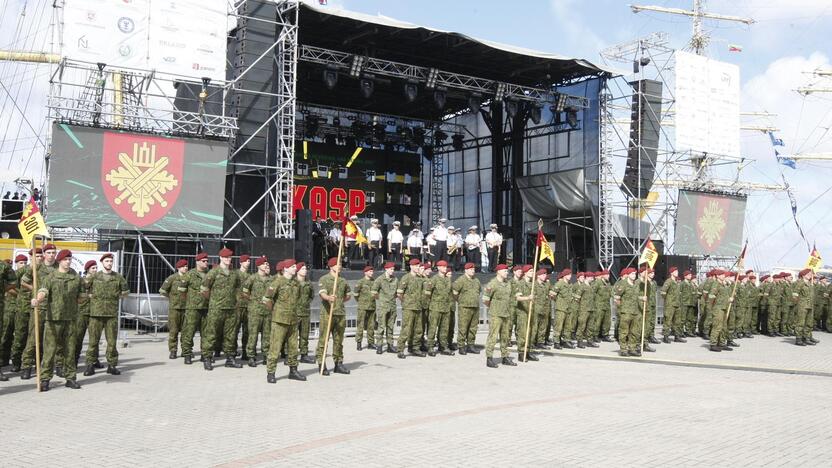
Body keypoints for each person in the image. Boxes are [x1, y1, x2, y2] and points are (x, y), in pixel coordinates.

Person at [31, 249, 81, 391]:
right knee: (49, 351)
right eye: (65, 259)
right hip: (53, 319)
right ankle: (45, 379)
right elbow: (43, 291)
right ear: (60, 260)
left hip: (70, 319)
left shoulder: (75, 277)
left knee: (70, 350)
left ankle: (70, 378)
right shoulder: (51, 276)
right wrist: (37, 300)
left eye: (70, 259)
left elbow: (81, 294)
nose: (68, 261)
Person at [83, 253, 129, 377]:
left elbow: (126, 291)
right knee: (93, 341)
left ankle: (112, 365)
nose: (109, 263)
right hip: (96, 314)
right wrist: (89, 295)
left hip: (111, 314)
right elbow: (83, 288)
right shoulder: (94, 276)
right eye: (107, 261)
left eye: (110, 261)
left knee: (112, 342)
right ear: (102, 262)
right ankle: (90, 364)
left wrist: (116, 297)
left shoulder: (118, 277)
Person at [263, 259, 306, 383]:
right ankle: (271, 372)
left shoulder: (296, 284)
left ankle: (293, 370)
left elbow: (297, 298)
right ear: (285, 269)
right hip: (279, 320)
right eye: (292, 266)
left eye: (295, 266)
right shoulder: (277, 282)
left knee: (293, 347)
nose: (295, 268)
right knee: (275, 347)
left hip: (292, 319)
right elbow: (266, 299)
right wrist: (275, 310)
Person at [200, 248, 243, 370]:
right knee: (211, 333)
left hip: (231, 309)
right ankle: (207, 357)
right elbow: (204, 289)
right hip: (216, 309)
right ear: (221, 258)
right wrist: (213, 301)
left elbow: (239, 289)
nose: (228, 260)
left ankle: (230, 358)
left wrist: (236, 302)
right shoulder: (214, 272)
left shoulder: (234, 273)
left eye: (230, 257)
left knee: (231, 335)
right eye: (226, 257)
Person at [316, 257, 352, 375]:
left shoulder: (343, 281)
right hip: (327, 313)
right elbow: (322, 294)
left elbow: (348, 295)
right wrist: (328, 298)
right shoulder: (324, 279)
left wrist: (339, 301)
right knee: (324, 340)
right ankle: (322, 364)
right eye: (337, 264)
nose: (340, 266)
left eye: (341, 264)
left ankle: (338, 363)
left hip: (340, 313)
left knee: (338, 340)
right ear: (331, 266)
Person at [483, 264, 516, 368]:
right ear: (498, 272)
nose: (507, 273)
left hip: (506, 313)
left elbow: (512, 297)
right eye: (505, 271)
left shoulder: (508, 284)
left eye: (507, 271)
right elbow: (485, 300)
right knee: (493, 336)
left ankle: (505, 356)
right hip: (496, 314)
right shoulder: (492, 284)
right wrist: (494, 307)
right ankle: (489, 358)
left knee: (505, 337)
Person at [180, 252, 210, 365]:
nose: (206, 263)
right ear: (197, 262)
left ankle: (205, 353)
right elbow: (182, 291)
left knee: (206, 333)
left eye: (207, 261)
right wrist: (189, 302)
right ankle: (187, 353)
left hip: (206, 308)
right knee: (189, 331)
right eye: (203, 261)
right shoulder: (190, 274)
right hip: (192, 308)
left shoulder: (210, 274)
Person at [241, 256, 271, 367]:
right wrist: (252, 300)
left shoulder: (270, 279)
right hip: (254, 312)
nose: (266, 265)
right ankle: (251, 356)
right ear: (258, 266)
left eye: (266, 264)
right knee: (252, 335)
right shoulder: (252, 278)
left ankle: (266, 355)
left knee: (266, 335)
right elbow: (244, 292)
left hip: (267, 312)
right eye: (264, 264)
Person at [11, 249, 38, 375]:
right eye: (35, 256)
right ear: (31, 256)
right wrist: (19, 295)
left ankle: (33, 362)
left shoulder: (42, 270)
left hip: (36, 307)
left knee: (34, 336)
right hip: (22, 307)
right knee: (20, 335)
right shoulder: (21, 271)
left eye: (40, 255)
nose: (38, 258)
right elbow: (9, 286)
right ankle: (16, 362)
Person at [160, 259, 189, 359]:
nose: (185, 268)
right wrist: (171, 297)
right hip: (174, 308)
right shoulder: (172, 278)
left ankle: (185, 350)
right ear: (178, 268)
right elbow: (162, 291)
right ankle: (173, 350)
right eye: (183, 266)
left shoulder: (189, 277)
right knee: (174, 331)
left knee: (186, 331)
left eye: (186, 266)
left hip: (186, 308)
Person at [397, 259, 425, 358]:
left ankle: (415, 348)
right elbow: (399, 293)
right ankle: (400, 349)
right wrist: (406, 301)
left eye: (419, 266)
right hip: (409, 307)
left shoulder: (420, 278)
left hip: (418, 307)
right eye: (416, 266)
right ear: (411, 266)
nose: (418, 268)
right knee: (406, 329)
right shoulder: (406, 278)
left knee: (418, 329)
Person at [424, 260, 453, 356]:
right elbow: (427, 293)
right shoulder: (434, 279)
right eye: (443, 267)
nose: (445, 268)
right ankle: (430, 346)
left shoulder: (448, 279)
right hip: (435, 307)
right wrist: (432, 303)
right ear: (439, 268)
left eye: (446, 266)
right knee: (433, 327)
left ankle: (443, 346)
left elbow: (449, 293)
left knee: (444, 328)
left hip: (446, 307)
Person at [452, 262, 481, 355]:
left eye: (473, 269)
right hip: (464, 307)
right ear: (466, 270)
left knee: (473, 328)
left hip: (475, 307)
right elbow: (454, 293)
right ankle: (461, 346)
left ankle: (471, 345)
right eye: (471, 269)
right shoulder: (461, 280)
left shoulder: (476, 280)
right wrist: (461, 301)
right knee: (463, 327)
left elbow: (478, 292)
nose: (473, 271)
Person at [372, 261, 399, 354]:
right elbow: (374, 292)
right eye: (391, 269)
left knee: (390, 326)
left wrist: (391, 299)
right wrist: (381, 300)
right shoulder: (380, 279)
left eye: (393, 269)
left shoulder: (395, 279)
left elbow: (397, 293)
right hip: (383, 306)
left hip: (392, 306)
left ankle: (390, 345)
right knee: (381, 327)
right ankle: (379, 345)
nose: (392, 271)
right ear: (386, 269)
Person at [515, 265, 539, 361]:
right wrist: (528, 298)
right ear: (525, 273)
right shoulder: (520, 284)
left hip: (532, 310)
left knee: (531, 333)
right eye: (530, 271)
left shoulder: (533, 284)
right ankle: (521, 352)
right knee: (523, 333)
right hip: (523, 311)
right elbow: (517, 298)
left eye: (533, 271)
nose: (532, 273)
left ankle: (528, 351)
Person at [613, 267, 640, 356]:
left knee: (634, 331)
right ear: (628, 275)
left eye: (635, 274)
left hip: (635, 311)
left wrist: (642, 298)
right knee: (624, 331)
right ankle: (623, 349)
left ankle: (632, 348)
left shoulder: (636, 284)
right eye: (632, 274)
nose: (634, 275)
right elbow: (617, 298)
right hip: (625, 312)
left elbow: (635, 297)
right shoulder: (623, 284)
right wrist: (621, 309)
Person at [295, 262, 315, 364]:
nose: (305, 270)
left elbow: (312, 295)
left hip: (305, 312)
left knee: (304, 335)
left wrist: (306, 303)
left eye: (305, 269)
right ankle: (291, 356)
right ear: (297, 271)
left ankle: (304, 354)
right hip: (294, 313)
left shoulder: (309, 283)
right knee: (292, 336)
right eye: (302, 269)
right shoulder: (293, 283)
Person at [793, 268, 819, 346]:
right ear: (803, 275)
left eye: (810, 274)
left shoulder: (810, 283)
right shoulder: (800, 283)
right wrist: (798, 304)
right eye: (808, 274)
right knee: (800, 322)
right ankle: (798, 339)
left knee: (809, 323)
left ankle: (806, 337)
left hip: (810, 305)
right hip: (802, 306)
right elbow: (794, 295)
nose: (810, 276)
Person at [354, 266, 377, 351]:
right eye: (370, 271)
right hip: (362, 307)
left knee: (371, 326)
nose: (372, 273)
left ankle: (370, 343)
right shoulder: (360, 282)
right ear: (365, 272)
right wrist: (361, 302)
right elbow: (356, 294)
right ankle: (359, 343)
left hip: (372, 306)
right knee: (360, 325)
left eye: (372, 271)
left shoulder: (374, 282)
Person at [660, 267, 685, 343]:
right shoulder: (669, 281)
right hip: (670, 304)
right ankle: (666, 336)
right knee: (668, 320)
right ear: (671, 273)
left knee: (677, 321)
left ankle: (677, 336)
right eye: (675, 271)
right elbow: (663, 292)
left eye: (677, 271)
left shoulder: (677, 282)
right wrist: (668, 300)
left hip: (677, 304)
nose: (677, 272)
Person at [551, 269, 573, 349]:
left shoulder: (570, 284)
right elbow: (552, 294)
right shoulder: (559, 284)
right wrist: (558, 301)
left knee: (568, 326)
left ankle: (566, 341)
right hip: (560, 308)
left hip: (568, 308)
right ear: (564, 275)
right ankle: (556, 342)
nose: (570, 276)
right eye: (568, 275)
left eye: (570, 274)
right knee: (558, 326)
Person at [234, 254, 251, 361]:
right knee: (234, 330)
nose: (248, 262)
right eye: (246, 260)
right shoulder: (235, 275)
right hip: (237, 306)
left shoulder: (250, 276)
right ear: (241, 262)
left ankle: (245, 351)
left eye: (249, 260)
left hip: (247, 306)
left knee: (247, 331)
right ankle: (233, 350)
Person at [592, 270, 613, 343]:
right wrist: (594, 303)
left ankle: (605, 335)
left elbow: (611, 293)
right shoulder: (598, 283)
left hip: (607, 305)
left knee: (607, 321)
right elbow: (593, 292)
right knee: (598, 321)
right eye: (606, 275)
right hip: (599, 305)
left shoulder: (608, 283)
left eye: (608, 275)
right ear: (603, 275)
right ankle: (595, 335)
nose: (608, 276)